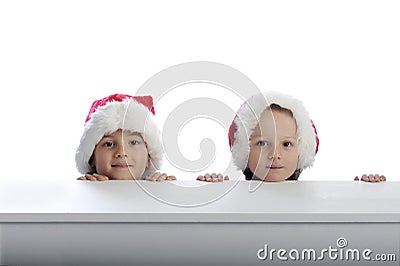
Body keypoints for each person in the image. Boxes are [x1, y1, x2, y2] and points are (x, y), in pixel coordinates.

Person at [197, 91, 385, 182]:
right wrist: (211, 187)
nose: (275, 154)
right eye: (262, 143)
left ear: (302, 150)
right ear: (244, 150)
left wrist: (366, 190)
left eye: (286, 144)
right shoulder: (231, 195)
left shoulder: (313, 200)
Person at [76, 93, 176, 181]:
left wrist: (163, 189)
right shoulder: (84, 191)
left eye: (133, 142)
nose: (121, 153)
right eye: (109, 144)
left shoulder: (157, 188)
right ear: (92, 158)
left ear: (149, 158)